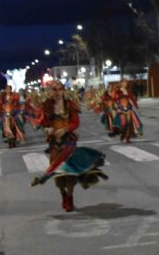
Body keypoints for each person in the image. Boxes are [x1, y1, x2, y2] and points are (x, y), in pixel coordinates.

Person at [31, 81, 108, 212]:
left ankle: (70, 198)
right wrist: (47, 130)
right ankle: (63, 195)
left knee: (69, 172)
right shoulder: (46, 106)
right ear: (50, 91)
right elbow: (43, 124)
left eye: (59, 89)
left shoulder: (70, 104)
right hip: (54, 142)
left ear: (63, 90)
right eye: (54, 89)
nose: (57, 92)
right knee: (57, 172)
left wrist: (66, 129)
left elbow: (76, 122)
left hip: (68, 140)